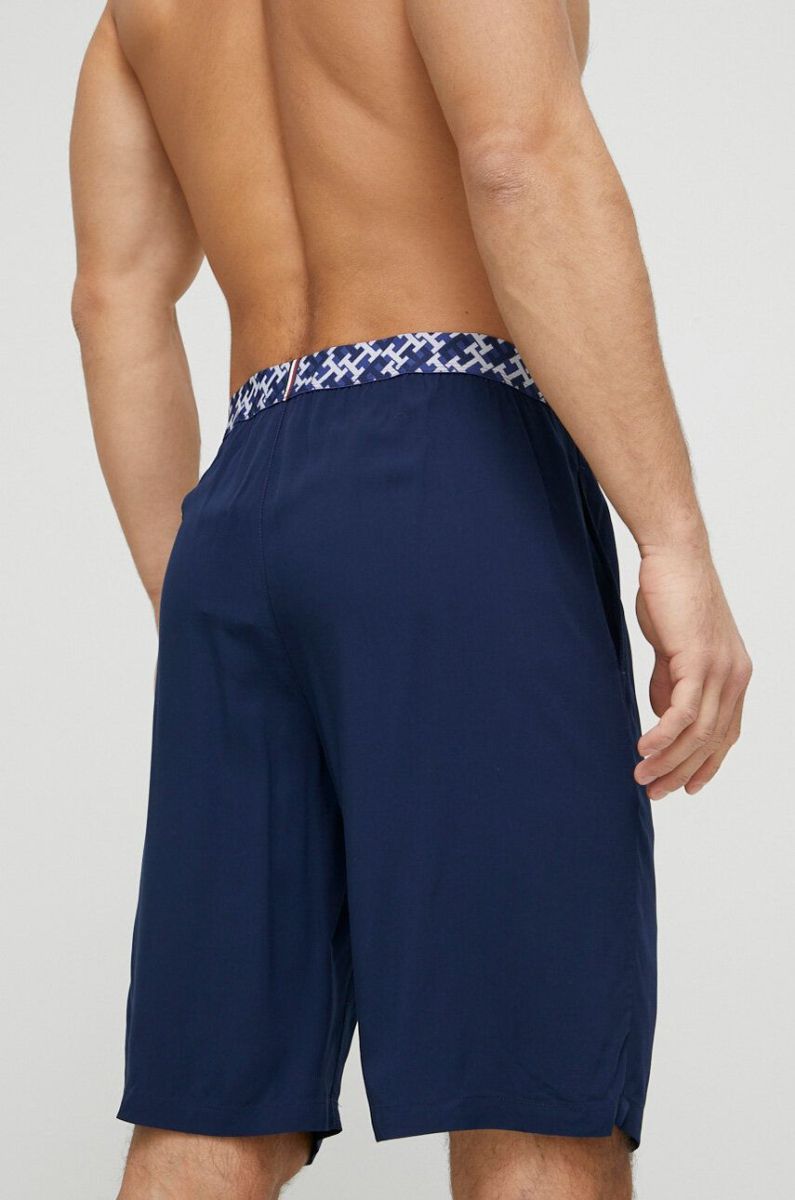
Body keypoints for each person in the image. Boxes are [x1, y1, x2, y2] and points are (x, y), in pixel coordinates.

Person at [70, 1, 752, 1197]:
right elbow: (519, 156)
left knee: (210, 1103)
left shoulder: (136, 18)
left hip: (240, 504)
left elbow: (113, 300)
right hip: (451, 463)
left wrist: (199, 593)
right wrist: (674, 539)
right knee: (530, 1076)